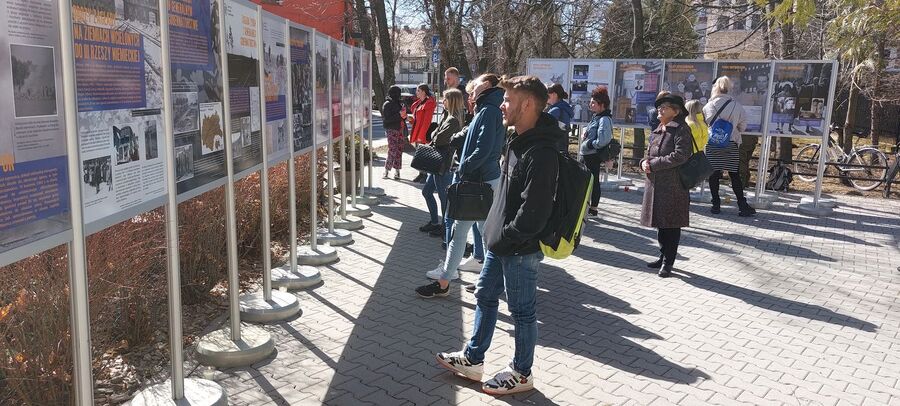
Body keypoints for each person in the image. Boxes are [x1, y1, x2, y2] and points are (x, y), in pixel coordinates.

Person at [435, 75, 559, 395]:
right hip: (499, 242)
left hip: (518, 247)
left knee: (522, 312)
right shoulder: (517, 138)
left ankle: (521, 372)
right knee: (485, 296)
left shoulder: (542, 151)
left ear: (528, 104)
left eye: (508, 99)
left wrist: (506, 237)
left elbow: (535, 210)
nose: (502, 105)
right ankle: (474, 359)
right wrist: (493, 233)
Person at [415, 73, 504, 297]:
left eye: (472, 91)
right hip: (481, 180)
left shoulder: (488, 110)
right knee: (471, 232)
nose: (469, 96)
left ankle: (481, 280)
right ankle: (465, 279)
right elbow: (474, 136)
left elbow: (483, 149)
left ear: (484, 88)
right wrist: (458, 139)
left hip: (477, 181)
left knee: (475, 233)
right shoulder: (487, 110)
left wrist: (463, 167)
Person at [640, 93, 692, 278]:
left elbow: (681, 155)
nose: (660, 110)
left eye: (665, 107)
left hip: (673, 186)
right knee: (661, 223)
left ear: (676, 111)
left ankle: (668, 262)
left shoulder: (681, 129)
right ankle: (662, 255)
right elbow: (649, 153)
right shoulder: (658, 129)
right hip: (656, 184)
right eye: (659, 107)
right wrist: (644, 163)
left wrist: (653, 164)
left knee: (671, 224)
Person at [703, 76, 755, 217]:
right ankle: (742, 205)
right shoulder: (736, 106)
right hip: (731, 144)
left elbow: (705, 124)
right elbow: (743, 126)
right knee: (734, 175)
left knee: (713, 175)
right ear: (729, 89)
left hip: (713, 144)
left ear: (715, 88)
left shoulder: (708, 106)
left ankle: (716, 205)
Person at [420, 89, 465, 236]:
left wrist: (435, 134)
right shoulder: (447, 116)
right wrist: (435, 134)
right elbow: (435, 135)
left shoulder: (453, 120)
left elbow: (438, 138)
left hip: (443, 163)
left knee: (444, 198)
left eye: (444, 99)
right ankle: (435, 222)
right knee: (427, 191)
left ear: (451, 101)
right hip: (436, 162)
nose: (442, 102)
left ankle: (446, 229)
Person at [579, 86, 614, 217]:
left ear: (602, 105)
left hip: (592, 156)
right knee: (588, 182)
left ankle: (593, 208)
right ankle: (589, 207)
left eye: (594, 102)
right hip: (588, 155)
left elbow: (603, 140)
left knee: (592, 183)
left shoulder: (604, 119)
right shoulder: (596, 116)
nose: (590, 104)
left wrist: (589, 143)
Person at [382, 85, 406, 179]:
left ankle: (397, 171)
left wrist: (404, 114)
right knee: (392, 150)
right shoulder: (387, 104)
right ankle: (387, 171)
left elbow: (403, 114)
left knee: (399, 150)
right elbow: (387, 119)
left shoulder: (399, 103)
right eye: (397, 93)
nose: (398, 95)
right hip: (392, 129)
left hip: (400, 129)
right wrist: (399, 115)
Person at [546, 83, 573, 153]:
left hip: (554, 147)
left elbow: (544, 127)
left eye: (548, 93)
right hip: (563, 146)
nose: (546, 96)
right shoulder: (564, 107)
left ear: (554, 94)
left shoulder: (556, 110)